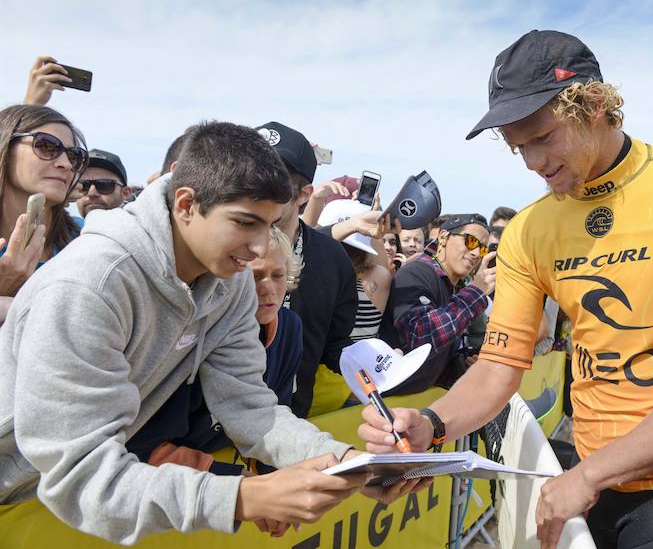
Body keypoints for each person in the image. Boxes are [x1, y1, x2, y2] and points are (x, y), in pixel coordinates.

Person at [359, 30, 653, 549]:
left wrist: (588, 476)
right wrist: (430, 424)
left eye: (543, 137)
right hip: (585, 476)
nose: (532, 161)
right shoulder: (532, 229)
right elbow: (497, 368)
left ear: (594, 105)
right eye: (518, 147)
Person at [0, 121, 408, 544]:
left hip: (72, 499)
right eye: (244, 222)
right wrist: (245, 498)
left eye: (269, 225)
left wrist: (342, 460)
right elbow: (78, 476)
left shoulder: (227, 283)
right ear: (186, 204)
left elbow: (249, 405)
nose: (257, 248)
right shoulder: (91, 286)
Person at [125, 225, 306, 475]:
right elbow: (142, 442)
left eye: (278, 275)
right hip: (165, 480)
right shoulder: (196, 330)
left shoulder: (289, 328)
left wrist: (272, 478)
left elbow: (274, 417)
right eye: (255, 276)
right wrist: (235, 481)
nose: (268, 289)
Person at [255, 121, 359, 418]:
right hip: (206, 435)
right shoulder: (219, 248)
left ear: (303, 194)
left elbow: (332, 342)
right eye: (251, 172)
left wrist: (367, 361)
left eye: (275, 178)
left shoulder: (331, 257)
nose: (259, 185)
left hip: (288, 424)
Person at [378, 213, 496, 393]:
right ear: (443, 237)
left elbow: (436, 353)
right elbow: (421, 337)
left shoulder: (455, 285)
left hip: (419, 402)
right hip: (387, 403)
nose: (476, 253)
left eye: (483, 249)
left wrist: (465, 364)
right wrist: (476, 293)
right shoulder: (416, 272)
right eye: (471, 242)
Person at [0, 105, 87, 322]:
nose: (66, 164)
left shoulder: (86, 238)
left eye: (74, 156)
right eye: (47, 146)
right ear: (5, 147)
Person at [319, 199, 391, 342]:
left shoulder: (312, 275)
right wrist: (375, 222)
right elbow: (382, 264)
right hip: (359, 363)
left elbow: (312, 242)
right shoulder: (377, 277)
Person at [75, 149, 133, 217]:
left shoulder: (142, 226)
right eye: (83, 185)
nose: (92, 193)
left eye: (104, 185)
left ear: (125, 193)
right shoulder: (62, 226)